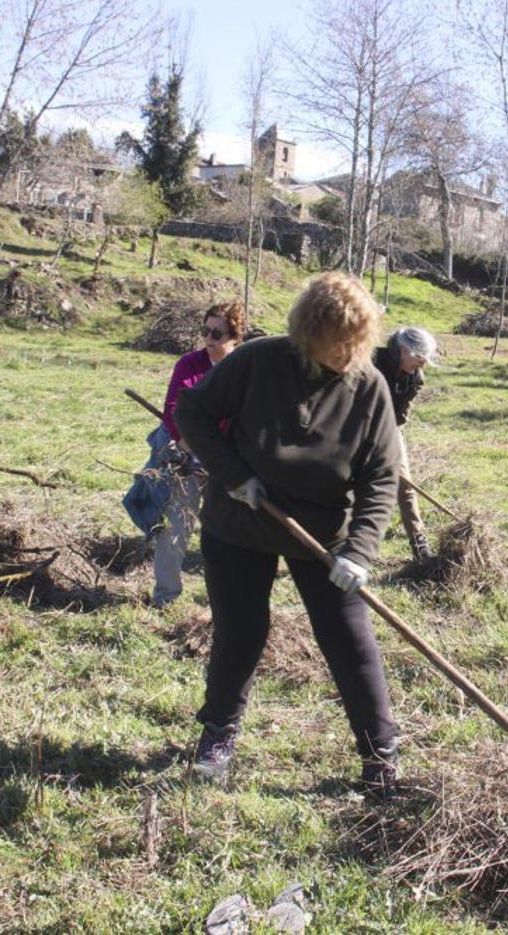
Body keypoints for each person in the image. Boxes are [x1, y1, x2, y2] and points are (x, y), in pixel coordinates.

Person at [175, 272, 403, 799]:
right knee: (241, 631)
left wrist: (361, 551)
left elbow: (381, 475)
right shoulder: (258, 360)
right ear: (308, 333)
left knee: (350, 641)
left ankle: (380, 756)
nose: (346, 353)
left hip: (323, 534)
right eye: (335, 343)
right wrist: (235, 477)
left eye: (355, 343)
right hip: (241, 521)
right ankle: (218, 735)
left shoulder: (368, 386)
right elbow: (193, 411)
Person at [150, 302, 244, 608]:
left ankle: (228, 598)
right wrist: (194, 445)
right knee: (177, 526)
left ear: (235, 337)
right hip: (188, 460)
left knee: (227, 533)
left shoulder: (244, 369)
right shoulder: (189, 365)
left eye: (218, 333)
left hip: (229, 466)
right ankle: (166, 596)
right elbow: (174, 412)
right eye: (205, 330)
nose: (209, 338)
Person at [372, 326, 439, 563]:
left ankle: (420, 547)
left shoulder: (416, 378)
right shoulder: (372, 361)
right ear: (402, 350)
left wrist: (386, 436)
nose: (423, 362)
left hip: (390, 429)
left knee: (406, 487)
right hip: (353, 428)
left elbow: (401, 416)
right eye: (419, 355)